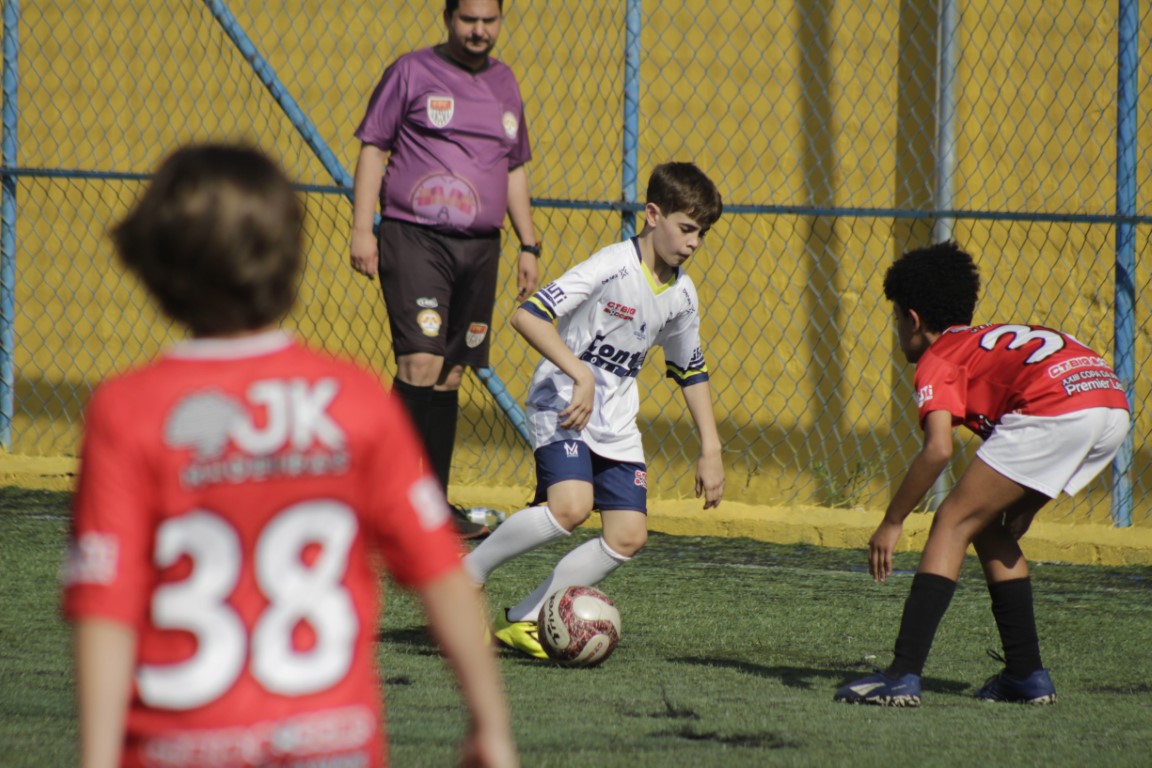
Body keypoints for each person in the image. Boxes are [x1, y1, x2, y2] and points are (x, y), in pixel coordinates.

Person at [62, 144, 518, 768]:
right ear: (288, 258)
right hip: (331, 747)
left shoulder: (129, 410)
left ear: (156, 264)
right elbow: (442, 576)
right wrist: (489, 724)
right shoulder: (352, 399)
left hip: (178, 749)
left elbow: (104, 607)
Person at [834, 242, 1130, 707]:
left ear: (913, 319)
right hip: (1108, 403)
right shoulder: (986, 340)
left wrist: (892, 522)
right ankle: (1026, 675)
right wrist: (1029, 504)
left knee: (951, 521)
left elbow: (938, 450)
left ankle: (902, 674)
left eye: (896, 320)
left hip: (1057, 407)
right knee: (986, 525)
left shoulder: (939, 358)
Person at [462, 162, 726, 658]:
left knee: (628, 536)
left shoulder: (682, 295)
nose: (694, 243)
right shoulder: (611, 266)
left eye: (702, 234)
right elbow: (528, 315)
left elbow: (690, 369)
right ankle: (467, 574)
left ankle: (524, 620)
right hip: (562, 402)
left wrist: (710, 448)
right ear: (653, 215)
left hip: (615, 422)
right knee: (571, 506)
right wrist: (579, 374)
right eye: (687, 228)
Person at [350, 0, 540, 540]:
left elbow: (514, 167)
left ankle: (432, 508)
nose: (479, 30)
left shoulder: (505, 83)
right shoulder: (411, 71)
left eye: (489, 20)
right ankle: (384, 502)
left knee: (451, 372)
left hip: (481, 248)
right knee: (419, 363)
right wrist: (363, 229)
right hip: (416, 237)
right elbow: (373, 149)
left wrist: (529, 243)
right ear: (448, 18)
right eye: (469, 19)